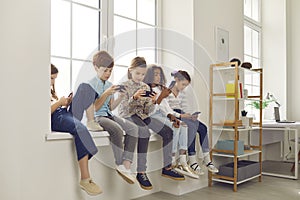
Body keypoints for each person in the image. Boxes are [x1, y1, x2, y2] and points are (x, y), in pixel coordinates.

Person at [118, 57, 185, 190]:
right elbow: (123, 108)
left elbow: (147, 110)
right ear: (130, 71)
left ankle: (167, 167)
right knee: (144, 132)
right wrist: (134, 97)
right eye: (137, 73)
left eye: (142, 74)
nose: (140, 77)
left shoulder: (145, 86)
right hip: (129, 115)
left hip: (143, 115)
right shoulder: (124, 86)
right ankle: (141, 172)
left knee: (168, 131)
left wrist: (154, 101)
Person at [88, 51, 139, 184]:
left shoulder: (109, 84)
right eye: (105, 70)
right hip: (98, 117)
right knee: (116, 130)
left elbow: (110, 108)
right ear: (95, 67)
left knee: (133, 129)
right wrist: (105, 94)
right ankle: (119, 163)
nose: (108, 73)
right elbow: (95, 109)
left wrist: (121, 97)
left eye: (110, 70)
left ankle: (126, 165)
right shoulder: (91, 84)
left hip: (109, 115)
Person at [50, 64, 102, 196]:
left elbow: (58, 106)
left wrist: (67, 102)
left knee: (85, 87)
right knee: (80, 128)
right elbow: (44, 113)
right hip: (57, 118)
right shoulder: (36, 91)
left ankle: (91, 121)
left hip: (64, 112)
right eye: (51, 78)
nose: (53, 82)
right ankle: (85, 178)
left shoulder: (51, 92)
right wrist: (59, 103)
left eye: (54, 79)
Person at [143, 64, 199, 179]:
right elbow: (150, 111)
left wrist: (174, 116)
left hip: (163, 114)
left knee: (183, 125)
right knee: (175, 126)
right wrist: (161, 99)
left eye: (159, 74)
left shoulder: (160, 89)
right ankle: (172, 160)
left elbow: (166, 108)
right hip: (153, 116)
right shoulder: (147, 90)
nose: (158, 77)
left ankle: (183, 160)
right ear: (149, 75)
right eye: (155, 74)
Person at [166, 70, 219, 175]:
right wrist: (183, 116)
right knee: (191, 127)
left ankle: (206, 158)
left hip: (182, 114)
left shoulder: (181, 94)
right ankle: (192, 159)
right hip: (172, 116)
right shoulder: (166, 92)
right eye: (183, 84)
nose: (184, 87)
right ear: (176, 80)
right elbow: (166, 110)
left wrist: (190, 115)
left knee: (203, 127)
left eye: (186, 85)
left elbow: (183, 108)